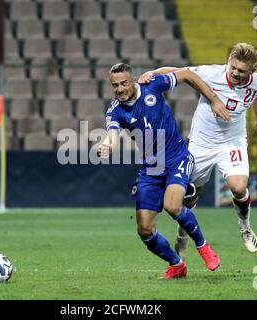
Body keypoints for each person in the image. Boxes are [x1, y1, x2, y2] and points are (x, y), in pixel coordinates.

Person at [98, 63, 229, 279]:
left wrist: (214, 100)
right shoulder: (115, 110)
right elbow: (111, 134)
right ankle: (177, 265)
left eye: (123, 83)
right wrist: (108, 145)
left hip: (178, 158)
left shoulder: (153, 86)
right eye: (114, 86)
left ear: (134, 80)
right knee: (144, 229)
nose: (119, 89)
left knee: (172, 205)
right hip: (151, 169)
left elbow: (187, 74)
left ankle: (204, 246)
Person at [139, 43, 257, 257]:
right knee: (189, 197)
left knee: (238, 187)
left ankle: (244, 226)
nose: (235, 73)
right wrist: (152, 73)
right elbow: (181, 72)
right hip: (202, 143)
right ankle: (182, 234)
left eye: (241, 71)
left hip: (232, 141)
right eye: (232, 67)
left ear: (251, 72)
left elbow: (256, 94)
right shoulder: (211, 74)